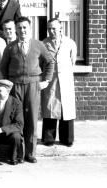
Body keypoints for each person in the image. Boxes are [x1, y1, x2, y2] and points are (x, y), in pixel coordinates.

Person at [0, 16, 54, 163]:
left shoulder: (38, 45)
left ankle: (30, 153)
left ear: (29, 29)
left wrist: (46, 81)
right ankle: (18, 153)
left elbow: (50, 62)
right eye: (19, 28)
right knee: (17, 119)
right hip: (15, 85)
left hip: (33, 85)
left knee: (31, 119)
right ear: (16, 30)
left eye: (24, 27)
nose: (22, 30)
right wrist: (9, 83)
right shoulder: (10, 47)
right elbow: (3, 67)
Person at [41, 18, 77, 147]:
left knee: (66, 109)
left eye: (54, 28)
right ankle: (48, 138)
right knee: (50, 108)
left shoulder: (70, 43)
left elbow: (72, 61)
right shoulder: (44, 44)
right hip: (50, 81)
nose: (51, 31)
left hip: (65, 80)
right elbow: (41, 63)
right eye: (49, 28)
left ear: (60, 28)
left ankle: (67, 139)